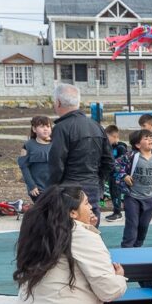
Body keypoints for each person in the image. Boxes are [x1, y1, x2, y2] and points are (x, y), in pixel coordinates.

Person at [47, 83, 114, 226]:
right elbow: (108, 161)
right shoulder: (96, 126)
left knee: (67, 231)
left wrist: (51, 189)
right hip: (92, 186)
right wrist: (98, 181)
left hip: (68, 189)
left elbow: (56, 164)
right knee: (91, 230)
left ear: (58, 102)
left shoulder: (61, 128)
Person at [120, 129, 152, 248]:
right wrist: (124, 176)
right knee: (132, 225)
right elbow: (116, 165)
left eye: (151, 138)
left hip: (150, 198)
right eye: (146, 138)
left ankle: (137, 247)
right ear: (138, 145)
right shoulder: (132, 156)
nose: (150, 140)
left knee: (143, 226)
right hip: (133, 197)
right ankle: (127, 248)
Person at [18, 115, 52, 202]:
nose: (45, 129)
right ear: (34, 129)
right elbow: (24, 168)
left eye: (48, 126)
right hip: (38, 189)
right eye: (42, 126)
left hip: (54, 188)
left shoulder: (56, 144)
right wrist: (32, 186)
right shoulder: (27, 146)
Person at [102, 125, 129, 221]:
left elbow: (122, 163)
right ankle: (116, 211)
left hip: (118, 176)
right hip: (111, 175)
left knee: (116, 193)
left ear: (115, 137)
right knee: (112, 193)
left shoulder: (120, 148)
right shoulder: (109, 147)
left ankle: (118, 212)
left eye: (107, 138)